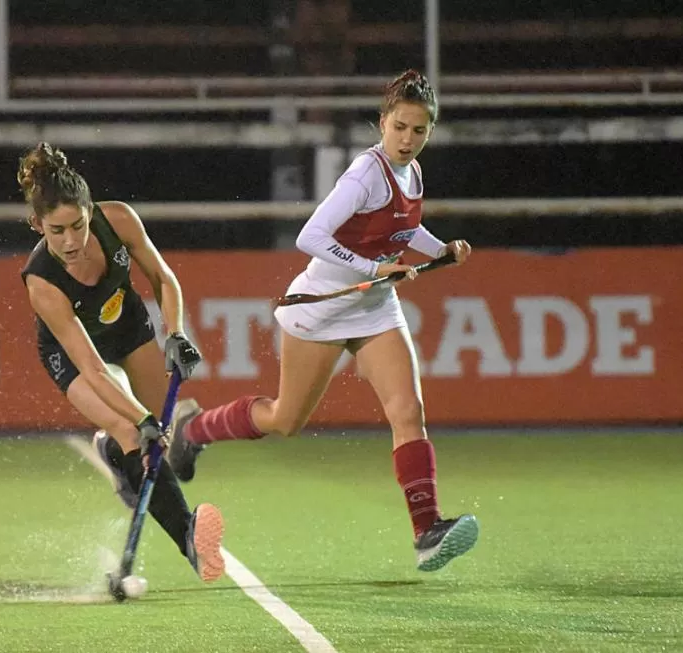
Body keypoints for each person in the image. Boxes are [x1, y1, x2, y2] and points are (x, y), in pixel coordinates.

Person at [167, 69, 479, 572]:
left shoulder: (413, 174)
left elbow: (406, 227)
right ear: (382, 122)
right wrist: (374, 268)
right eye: (399, 127)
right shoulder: (363, 175)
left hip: (375, 307)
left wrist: (440, 249)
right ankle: (194, 428)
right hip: (323, 305)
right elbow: (310, 236)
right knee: (285, 420)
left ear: (430, 132)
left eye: (418, 131)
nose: (407, 139)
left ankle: (427, 531)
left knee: (408, 411)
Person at [17, 142, 224, 583]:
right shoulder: (42, 282)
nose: (71, 241)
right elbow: (92, 369)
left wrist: (177, 333)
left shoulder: (120, 220)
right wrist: (140, 417)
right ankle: (190, 539)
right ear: (37, 224)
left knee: (161, 441)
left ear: (91, 211)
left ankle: (115, 454)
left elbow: (163, 278)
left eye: (79, 225)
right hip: (73, 357)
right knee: (134, 429)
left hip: (127, 327)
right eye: (57, 231)